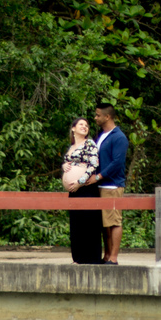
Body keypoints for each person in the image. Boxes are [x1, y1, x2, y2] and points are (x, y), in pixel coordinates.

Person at [61, 117, 103, 264]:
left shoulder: (89, 144)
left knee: (89, 223)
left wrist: (80, 182)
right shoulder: (71, 147)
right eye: (81, 124)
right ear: (73, 128)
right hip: (73, 191)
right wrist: (64, 167)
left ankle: (90, 258)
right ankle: (77, 258)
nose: (84, 127)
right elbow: (68, 163)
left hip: (86, 188)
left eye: (86, 125)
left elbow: (93, 165)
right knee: (76, 224)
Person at [92, 103, 128, 264]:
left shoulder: (119, 137)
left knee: (114, 221)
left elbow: (117, 163)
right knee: (104, 223)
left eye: (98, 115)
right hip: (100, 186)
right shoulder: (102, 135)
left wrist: (99, 176)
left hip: (112, 185)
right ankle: (106, 255)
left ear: (107, 117)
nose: (95, 118)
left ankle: (113, 257)